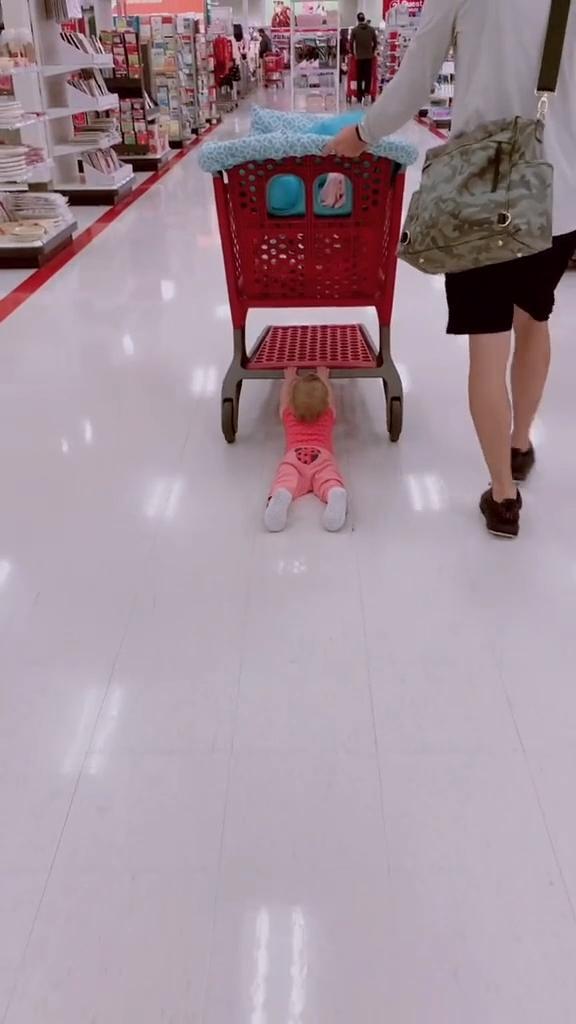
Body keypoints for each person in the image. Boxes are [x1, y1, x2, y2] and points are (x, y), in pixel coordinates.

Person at [326, 0, 576, 538]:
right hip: (559, 196)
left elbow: (417, 81)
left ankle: (503, 496)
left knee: (488, 345)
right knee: (536, 316)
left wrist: (363, 134)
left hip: (480, 197)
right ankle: (521, 441)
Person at [265, 368, 348, 533]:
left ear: (292, 403)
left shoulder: (289, 416)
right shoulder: (327, 416)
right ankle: (334, 492)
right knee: (328, 478)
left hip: (294, 457)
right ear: (325, 405)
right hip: (323, 457)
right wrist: (324, 376)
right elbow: (330, 399)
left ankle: (281, 494)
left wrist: (289, 379)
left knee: (286, 479)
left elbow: (284, 399)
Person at [350, 12, 377, 103]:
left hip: (359, 57)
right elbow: (375, 42)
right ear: (364, 18)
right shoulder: (371, 30)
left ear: (358, 19)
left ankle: (359, 96)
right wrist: (372, 51)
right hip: (369, 57)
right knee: (368, 77)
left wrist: (353, 53)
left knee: (359, 77)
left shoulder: (355, 30)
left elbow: (351, 43)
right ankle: (366, 94)